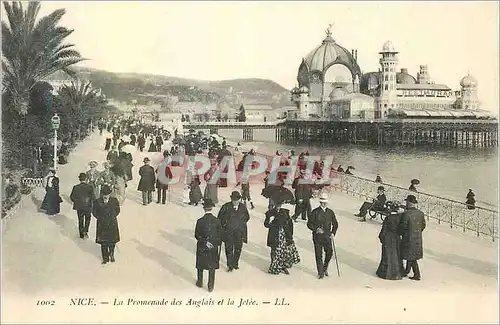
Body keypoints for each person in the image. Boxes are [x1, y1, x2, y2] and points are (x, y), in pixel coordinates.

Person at [264, 201, 300, 275]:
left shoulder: (285, 211)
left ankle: (283, 266)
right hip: (274, 235)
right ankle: (274, 266)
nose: (278, 206)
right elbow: (266, 225)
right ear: (274, 204)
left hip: (284, 235)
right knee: (274, 251)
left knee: (283, 251)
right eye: (277, 204)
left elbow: (290, 224)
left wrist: (290, 235)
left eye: (280, 204)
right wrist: (269, 219)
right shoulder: (270, 213)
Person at [307, 193, 338, 279]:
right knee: (318, 254)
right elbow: (309, 224)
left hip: (327, 237)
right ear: (320, 202)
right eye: (322, 202)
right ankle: (320, 272)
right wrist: (316, 229)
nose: (324, 204)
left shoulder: (330, 212)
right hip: (317, 238)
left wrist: (333, 233)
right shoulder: (315, 212)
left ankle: (324, 268)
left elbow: (335, 224)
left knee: (329, 253)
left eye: (325, 202)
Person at [217, 191, 250, 272]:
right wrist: (225, 225)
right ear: (231, 199)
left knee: (238, 248)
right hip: (228, 232)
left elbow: (247, 217)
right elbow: (219, 218)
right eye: (233, 200)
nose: (235, 202)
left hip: (239, 232)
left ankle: (235, 263)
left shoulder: (242, 207)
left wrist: (240, 223)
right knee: (229, 249)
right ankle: (230, 265)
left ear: (239, 199)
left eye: (237, 200)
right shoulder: (226, 207)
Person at [195, 199, 223, 292]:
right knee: (212, 267)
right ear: (212, 208)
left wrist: (205, 242)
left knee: (200, 265)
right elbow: (220, 235)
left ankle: (200, 282)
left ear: (204, 209)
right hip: (213, 246)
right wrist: (215, 243)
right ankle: (210, 286)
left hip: (202, 246)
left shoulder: (200, 221)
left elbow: (197, 235)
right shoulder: (217, 221)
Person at [399, 194, 426, 281]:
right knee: (412, 256)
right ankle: (411, 272)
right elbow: (423, 225)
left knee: (407, 255)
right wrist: (416, 232)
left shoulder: (406, 214)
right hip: (417, 238)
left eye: (407, 202)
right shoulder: (420, 214)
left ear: (409, 203)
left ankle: (410, 273)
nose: (406, 203)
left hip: (408, 238)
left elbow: (402, 227)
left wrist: (402, 234)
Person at [93, 185, 121, 265]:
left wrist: (112, 216)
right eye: (104, 194)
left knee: (112, 241)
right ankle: (105, 258)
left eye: (107, 194)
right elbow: (94, 212)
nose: (105, 196)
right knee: (103, 242)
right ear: (101, 194)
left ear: (109, 194)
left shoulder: (114, 201)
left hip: (112, 223)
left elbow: (117, 210)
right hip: (102, 224)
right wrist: (100, 217)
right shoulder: (97, 201)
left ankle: (111, 254)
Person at [376, 208, 404, 280]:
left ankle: (385, 273)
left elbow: (384, 229)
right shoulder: (400, 218)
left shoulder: (388, 218)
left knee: (387, 255)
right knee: (396, 255)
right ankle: (397, 273)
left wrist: (381, 237)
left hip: (388, 237)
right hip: (396, 238)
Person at [70, 173, 94, 239]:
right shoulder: (90, 187)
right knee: (88, 219)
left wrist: (77, 201)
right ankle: (85, 231)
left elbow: (72, 197)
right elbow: (93, 197)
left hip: (79, 207)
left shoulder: (76, 187)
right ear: (86, 179)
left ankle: (81, 234)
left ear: (79, 179)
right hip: (87, 206)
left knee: (80, 220)